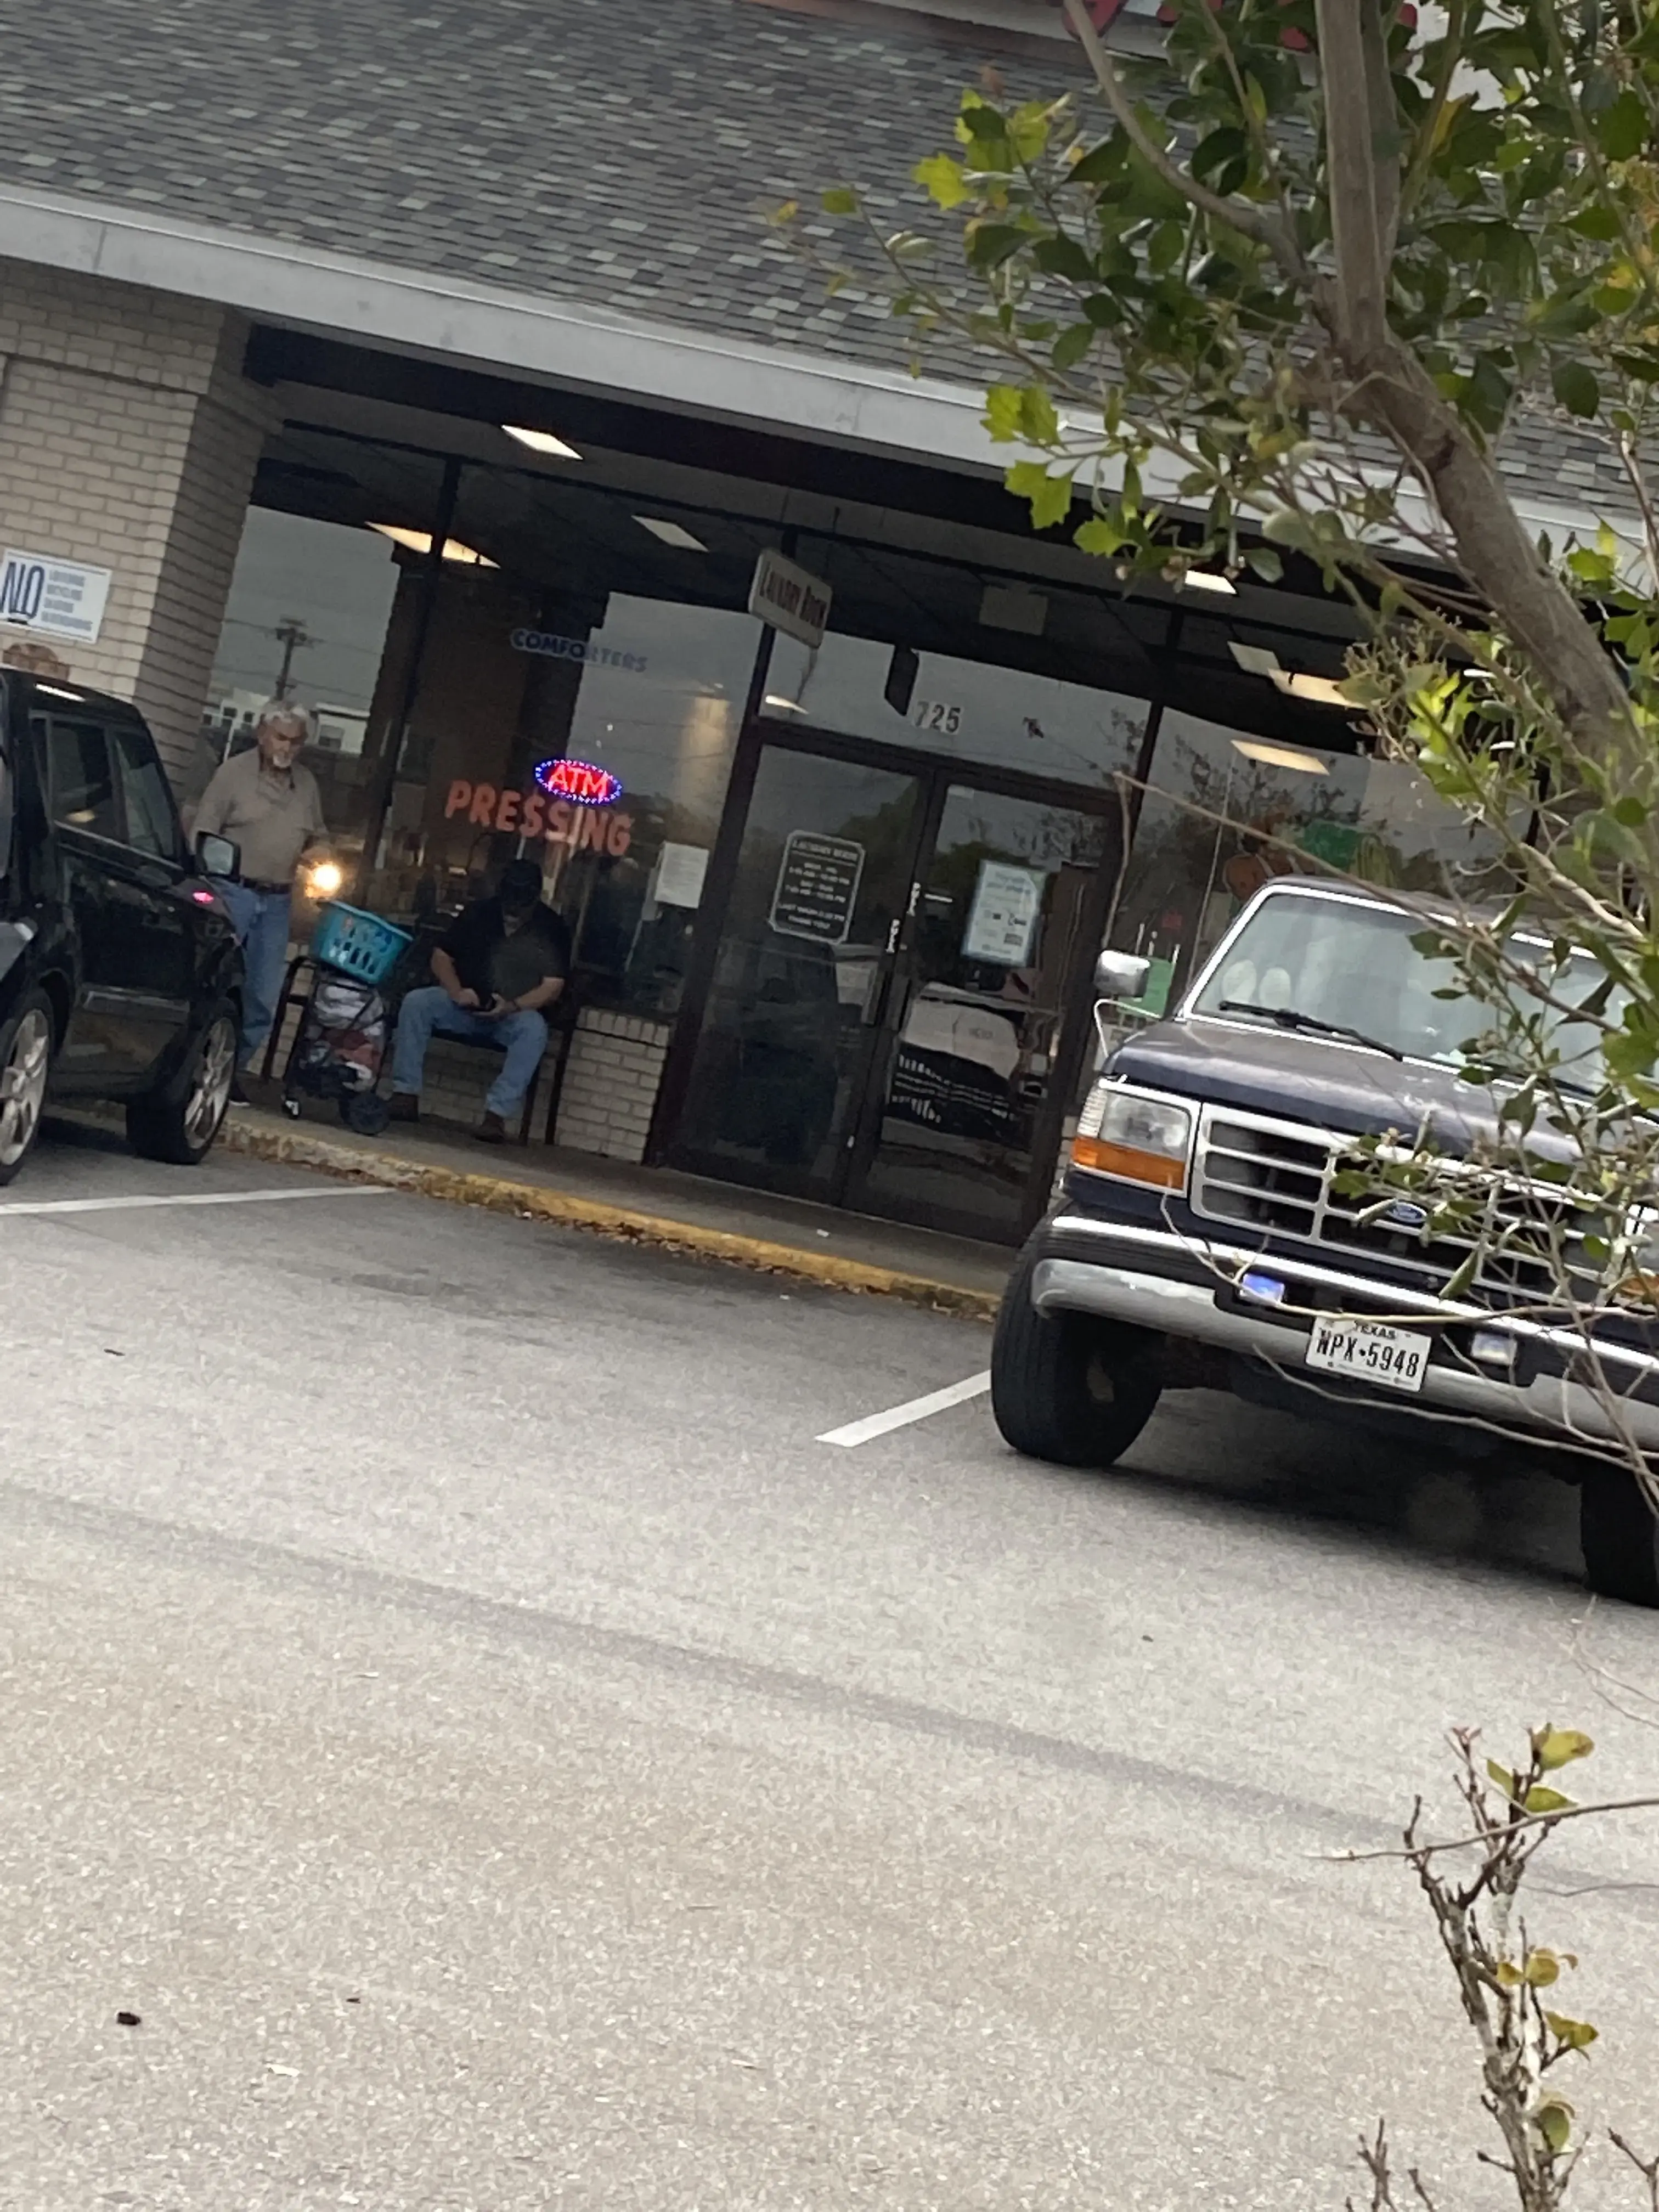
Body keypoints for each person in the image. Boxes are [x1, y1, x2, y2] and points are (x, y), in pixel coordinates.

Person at [193, 698, 329, 1096]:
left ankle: (229, 1073)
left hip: (278, 900)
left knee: (263, 997)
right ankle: (194, 1065)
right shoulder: (232, 774)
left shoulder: (306, 784)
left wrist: (321, 854)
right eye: (281, 738)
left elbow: (319, 835)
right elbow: (203, 831)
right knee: (218, 983)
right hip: (231, 891)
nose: (288, 747)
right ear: (262, 734)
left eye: (296, 741)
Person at [389, 858, 571, 1143]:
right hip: (463, 1003)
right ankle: (405, 1093)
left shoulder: (552, 927)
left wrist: (512, 1006)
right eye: (509, 905)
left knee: (534, 1030)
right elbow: (441, 956)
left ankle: (496, 1115)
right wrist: (456, 991)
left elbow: (553, 986)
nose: (512, 913)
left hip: (512, 1014)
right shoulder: (478, 912)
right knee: (417, 1003)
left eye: (520, 906)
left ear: (534, 899)